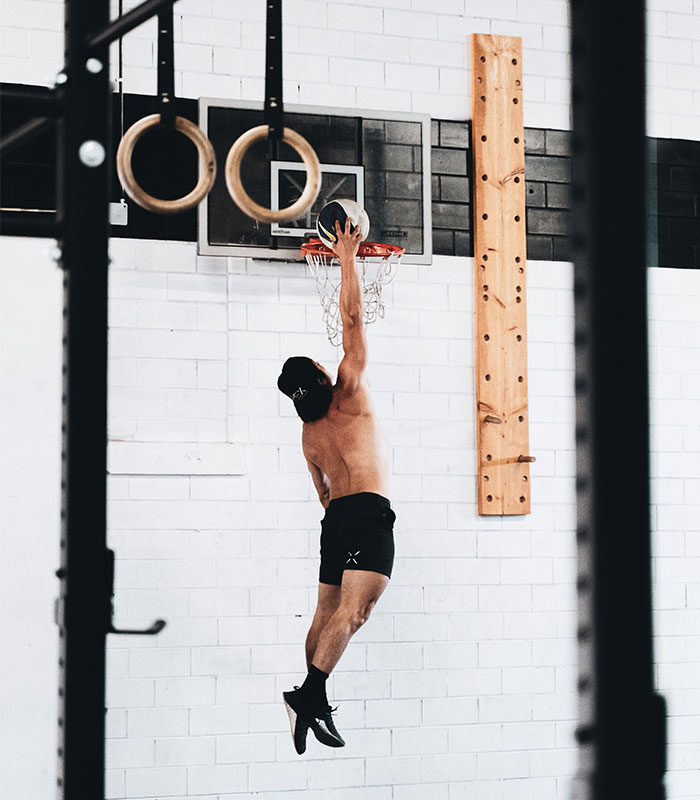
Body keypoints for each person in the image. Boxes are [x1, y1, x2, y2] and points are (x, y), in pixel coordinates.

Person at [277, 218, 396, 755]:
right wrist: (347, 257)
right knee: (356, 612)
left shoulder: (308, 436)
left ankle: (310, 694)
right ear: (324, 374)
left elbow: (322, 494)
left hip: (336, 519)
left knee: (327, 611)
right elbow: (351, 319)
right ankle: (310, 694)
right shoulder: (348, 392)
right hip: (368, 513)